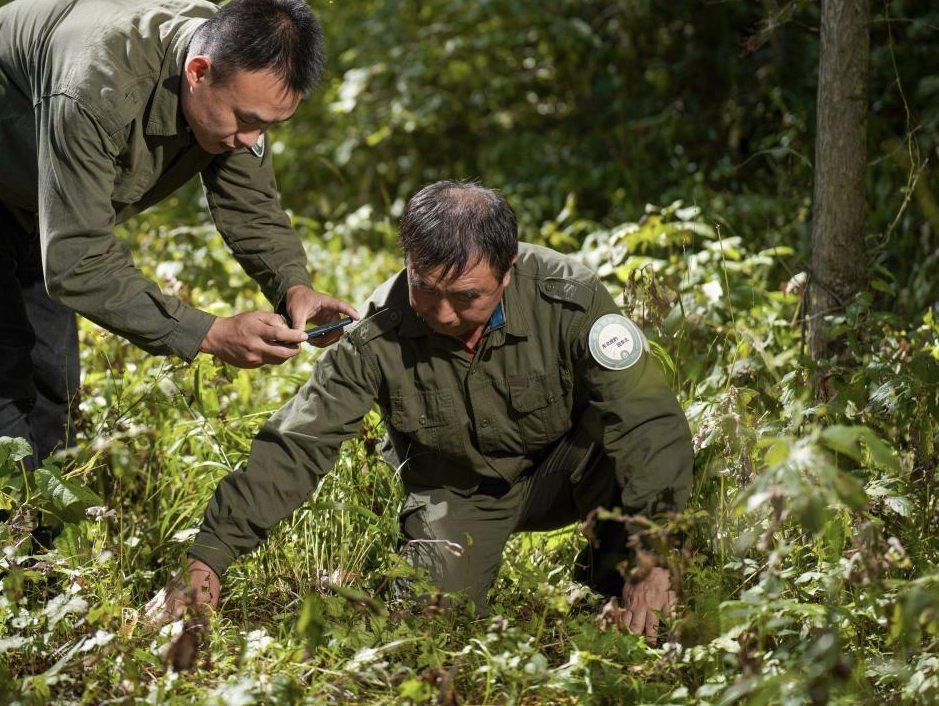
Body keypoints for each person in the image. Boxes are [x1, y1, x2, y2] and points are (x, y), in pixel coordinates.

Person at [0, 0, 357, 533]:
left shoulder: (236, 75)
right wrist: (208, 332)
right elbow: (77, 262)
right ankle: (13, 562)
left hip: (41, 180)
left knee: (52, 377)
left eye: (269, 127)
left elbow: (249, 203)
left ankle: (47, 545)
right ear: (198, 71)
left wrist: (294, 288)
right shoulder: (98, 86)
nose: (251, 139)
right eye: (246, 119)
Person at [144, 181, 692, 640]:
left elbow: (648, 423)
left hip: (570, 471)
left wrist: (658, 556)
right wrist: (207, 560)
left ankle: (614, 574)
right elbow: (298, 444)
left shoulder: (569, 299)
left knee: (629, 458)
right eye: (426, 289)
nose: (444, 314)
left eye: (468, 296)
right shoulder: (377, 333)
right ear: (407, 264)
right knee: (428, 627)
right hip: (459, 494)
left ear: (508, 271)